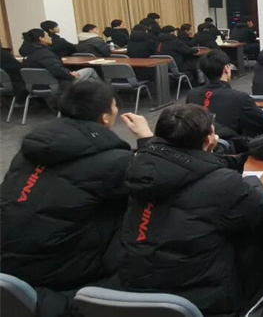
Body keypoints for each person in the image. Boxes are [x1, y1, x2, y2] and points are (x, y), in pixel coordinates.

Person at [1, 82, 153, 316]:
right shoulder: (114, 161)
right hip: (59, 268)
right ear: (105, 117)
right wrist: (147, 140)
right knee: (142, 210)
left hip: (8, 259)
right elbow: (151, 180)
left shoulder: (30, 149)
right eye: (114, 106)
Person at [119, 104, 263, 317]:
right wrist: (249, 181)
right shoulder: (223, 183)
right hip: (201, 300)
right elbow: (260, 207)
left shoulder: (139, 168)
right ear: (209, 139)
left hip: (133, 290)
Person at [187, 49, 263, 138]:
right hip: (231, 143)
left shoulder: (192, 95)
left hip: (198, 142)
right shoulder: (240, 98)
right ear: (226, 68)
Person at [20, 29, 98, 89]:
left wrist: (68, 72)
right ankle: (103, 97)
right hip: (55, 84)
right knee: (90, 71)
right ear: (41, 38)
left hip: (33, 85)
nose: (50, 37)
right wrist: (69, 74)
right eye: (47, 36)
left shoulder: (27, 52)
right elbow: (56, 70)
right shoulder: (44, 52)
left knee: (90, 81)